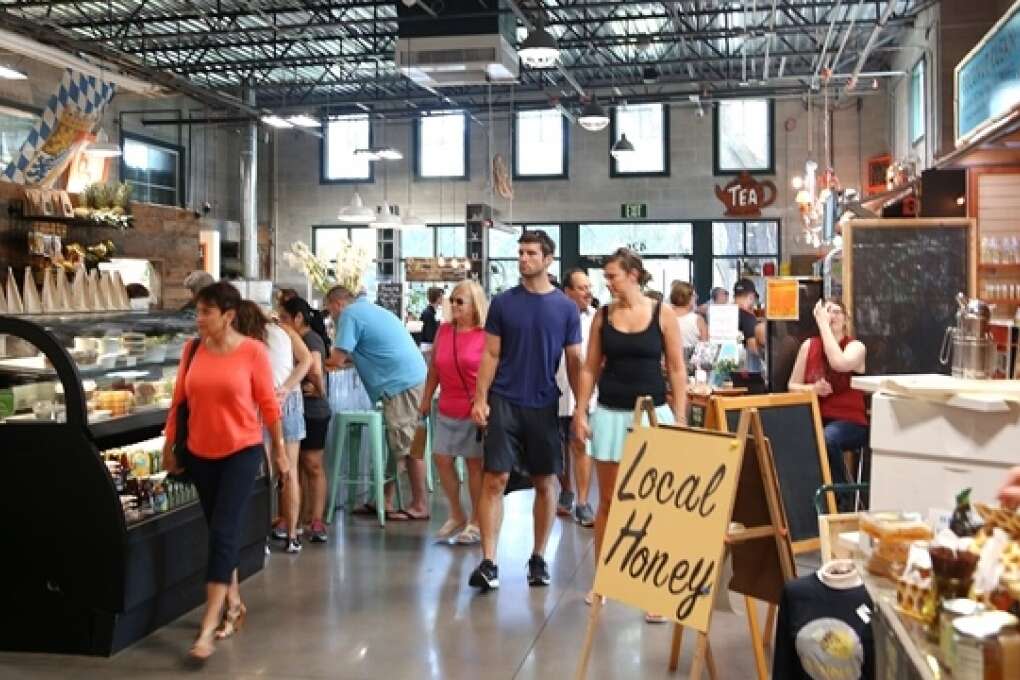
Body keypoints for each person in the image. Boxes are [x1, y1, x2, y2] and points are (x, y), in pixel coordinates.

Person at [162, 282, 285, 661]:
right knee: (217, 529)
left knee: (223, 531)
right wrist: (170, 445)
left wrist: (279, 451)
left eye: (206, 312)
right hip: (200, 453)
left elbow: (268, 404)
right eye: (197, 312)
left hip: (241, 452)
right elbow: (179, 401)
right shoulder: (192, 350)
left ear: (228, 315)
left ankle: (207, 629)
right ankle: (232, 603)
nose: (199, 319)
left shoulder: (253, 353)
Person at [573, 248, 688, 621]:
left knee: (655, 504)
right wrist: (580, 409)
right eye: (605, 277)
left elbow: (675, 368)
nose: (607, 283)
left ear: (633, 275)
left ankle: (655, 588)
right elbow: (590, 367)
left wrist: (682, 416)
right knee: (608, 501)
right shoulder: (602, 318)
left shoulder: (662, 313)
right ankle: (603, 579)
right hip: (610, 413)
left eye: (612, 276)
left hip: (654, 413)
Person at [469, 230, 582, 591]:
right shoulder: (503, 303)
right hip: (504, 399)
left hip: (544, 402)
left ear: (548, 259)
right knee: (495, 479)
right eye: (520, 252)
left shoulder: (565, 307)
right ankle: (489, 562)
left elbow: (575, 359)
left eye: (531, 253)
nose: (523, 258)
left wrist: (580, 408)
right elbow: (490, 353)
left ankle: (537, 557)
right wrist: (480, 398)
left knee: (545, 481)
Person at [324, 285, 429, 520]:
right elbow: (356, 354)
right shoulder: (369, 310)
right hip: (415, 379)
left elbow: (336, 360)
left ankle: (420, 505)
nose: (331, 316)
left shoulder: (349, 315)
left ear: (337, 304)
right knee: (403, 445)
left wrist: (312, 364)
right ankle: (384, 499)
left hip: (400, 385)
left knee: (410, 447)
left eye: (329, 310)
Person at [234, 301, 312, 554]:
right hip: (289, 402)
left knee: (265, 475)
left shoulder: (243, 341)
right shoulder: (284, 331)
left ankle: (263, 538)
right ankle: (292, 536)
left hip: (259, 405)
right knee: (289, 472)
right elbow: (307, 360)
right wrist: (288, 387)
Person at [419, 280, 488, 545]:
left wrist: (485, 402)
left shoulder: (485, 334)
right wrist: (426, 398)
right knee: (441, 458)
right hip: (446, 405)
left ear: (475, 305)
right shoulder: (444, 331)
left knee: (474, 465)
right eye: (453, 301)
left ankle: (476, 521)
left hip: (473, 409)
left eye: (461, 301)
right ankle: (457, 513)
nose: (455, 305)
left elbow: (491, 371)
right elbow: (435, 367)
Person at [788, 299, 868, 486]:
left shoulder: (856, 347)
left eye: (837, 311)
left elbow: (838, 364)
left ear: (846, 319)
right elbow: (792, 385)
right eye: (828, 311)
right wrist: (812, 389)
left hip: (850, 422)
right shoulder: (809, 346)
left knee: (826, 438)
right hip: (816, 418)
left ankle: (840, 498)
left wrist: (823, 325)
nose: (832, 316)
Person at [278, 296, 333, 543]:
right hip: (297, 408)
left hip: (312, 410)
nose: (281, 322)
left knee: (311, 464)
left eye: (285, 318)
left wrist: (319, 389)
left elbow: (315, 369)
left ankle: (316, 519)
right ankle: (294, 518)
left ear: (298, 318)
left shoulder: (310, 339)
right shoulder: (291, 338)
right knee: (295, 466)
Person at [555, 268, 596, 526]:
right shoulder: (554, 315)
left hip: (584, 392)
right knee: (558, 448)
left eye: (589, 287)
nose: (588, 292)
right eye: (581, 288)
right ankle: (566, 490)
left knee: (580, 443)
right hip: (556, 389)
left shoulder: (596, 318)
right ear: (567, 291)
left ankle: (582, 501)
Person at [733, 278, 767, 394]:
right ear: (751, 296)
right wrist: (766, 356)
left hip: (727, 372)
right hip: (748, 374)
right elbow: (752, 346)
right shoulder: (748, 317)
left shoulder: (726, 313)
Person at [670, 281, 709, 350]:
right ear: (687, 298)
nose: (697, 297)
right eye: (694, 295)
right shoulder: (697, 320)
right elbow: (705, 346)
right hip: (691, 359)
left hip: (668, 358)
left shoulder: (664, 317)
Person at [419, 286, 444, 352]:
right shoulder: (429, 313)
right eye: (441, 296)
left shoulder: (430, 312)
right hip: (428, 347)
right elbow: (430, 336)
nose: (443, 298)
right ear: (437, 298)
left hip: (428, 346)